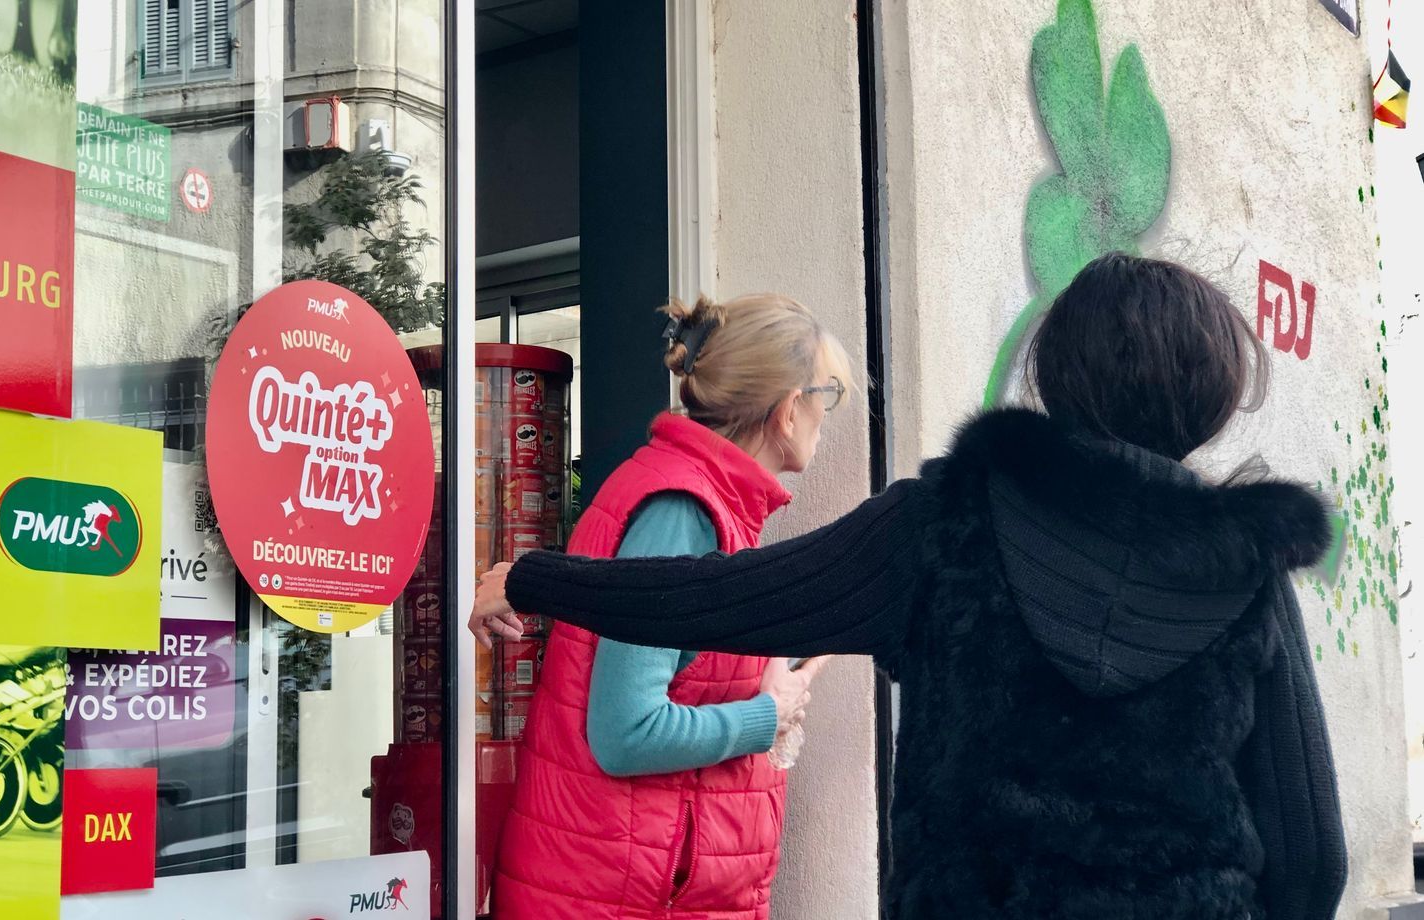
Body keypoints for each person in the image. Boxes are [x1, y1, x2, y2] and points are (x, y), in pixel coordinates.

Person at [475, 253, 1348, 920]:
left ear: (1060, 376)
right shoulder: (1247, 571)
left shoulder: (943, 524)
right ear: (1216, 391)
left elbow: (716, 596)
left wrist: (534, 576)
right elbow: (1313, 857)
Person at [471, 293, 852, 919]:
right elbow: (627, 733)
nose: (824, 417)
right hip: (616, 899)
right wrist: (769, 715)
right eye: (825, 397)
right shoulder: (683, 513)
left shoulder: (705, 504)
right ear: (788, 410)